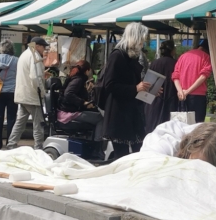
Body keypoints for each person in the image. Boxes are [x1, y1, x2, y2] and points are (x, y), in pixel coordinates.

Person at [141, 120, 216, 182]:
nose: (196, 171)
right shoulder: (165, 144)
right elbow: (145, 168)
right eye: (194, 163)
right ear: (187, 151)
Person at [101, 23, 150, 158]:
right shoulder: (117, 55)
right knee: (122, 155)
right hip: (119, 115)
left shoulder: (132, 57)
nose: (143, 42)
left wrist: (148, 90)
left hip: (132, 114)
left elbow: (135, 84)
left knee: (138, 152)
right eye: (142, 38)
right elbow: (109, 84)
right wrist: (135, 88)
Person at [7, 37, 49, 151]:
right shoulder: (35, 56)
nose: (44, 49)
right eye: (43, 47)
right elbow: (35, 77)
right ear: (37, 46)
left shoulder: (25, 54)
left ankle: (11, 143)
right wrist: (42, 91)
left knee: (20, 121)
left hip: (22, 93)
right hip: (32, 94)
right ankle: (38, 146)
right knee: (38, 122)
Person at [57, 60, 103, 139]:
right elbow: (68, 94)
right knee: (100, 118)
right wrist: (83, 103)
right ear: (87, 70)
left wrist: (87, 91)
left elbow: (76, 93)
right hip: (69, 113)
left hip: (69, 111)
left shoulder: (76, 78)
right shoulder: (78, 80)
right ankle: (97, 146)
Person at [171, 39, 212, 123]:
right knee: (197, 125)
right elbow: (203, 76)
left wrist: (180, 91)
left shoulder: (183, 56)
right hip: (198, 97)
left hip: (182, 96)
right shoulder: (206, 57)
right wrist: (188, 91)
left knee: (183, 124)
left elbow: (175, 76)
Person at [144, 39, 177, 134]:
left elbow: (148, 84)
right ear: (172, 50)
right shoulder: (176, 63)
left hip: (155, 99)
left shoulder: (155, 63)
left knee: (153, 129)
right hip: (172, 98)